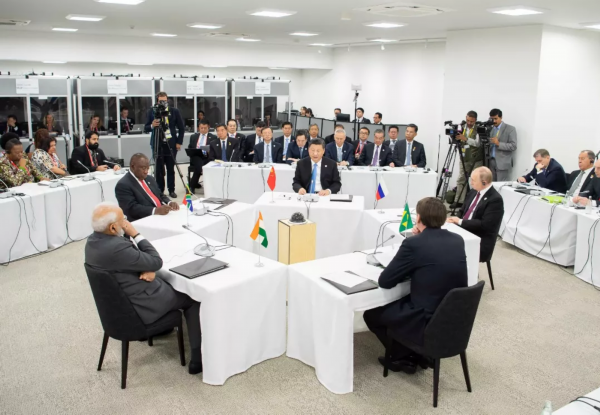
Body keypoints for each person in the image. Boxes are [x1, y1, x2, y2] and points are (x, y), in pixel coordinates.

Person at [85, 202, 202, 374]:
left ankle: (166, 328)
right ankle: (197, 359)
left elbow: (129, 261)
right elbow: (156, 261)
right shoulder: (117, 248)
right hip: (141, 306)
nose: (126, 222)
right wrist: (135, 233)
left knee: (163, 276)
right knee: (192, 296)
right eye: (123, 220)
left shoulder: (92, 242)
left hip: (117, 308)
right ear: (112, 228)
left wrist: (148, 268)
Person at [364, 197, 468, 374]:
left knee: (372, 315)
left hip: (425, 317)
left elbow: (386, 281)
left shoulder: (414, 243)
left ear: (418, 218)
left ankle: (403, 357)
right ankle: (418, 354)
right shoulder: (458, 240)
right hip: (453, 313)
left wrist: (416, 240)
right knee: (403, 301)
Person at [447, 167, 504, 263]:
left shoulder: (495, 200)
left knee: (447, 247)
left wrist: (460, 221)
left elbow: (484, 225)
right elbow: (462, 210)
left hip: (479, 238)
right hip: (463, 229)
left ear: (484, 182)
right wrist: (454, 220)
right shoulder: (473, 191)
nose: (471, 182)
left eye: (473, 180)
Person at [115, 153, 180, 221]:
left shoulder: (149, 178)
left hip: (160, 216)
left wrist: (169, 202)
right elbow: (131, 208)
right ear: (133, 166)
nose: (146, 171)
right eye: (143, 168)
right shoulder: (123, 185)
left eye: (147, 168)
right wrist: (155, 210)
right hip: (143, 220)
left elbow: (160, 195)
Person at [145, 92, 185, 198]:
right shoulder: (152, 111)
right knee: (158, 169)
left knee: (170, 168)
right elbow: (146, 128)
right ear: (157, 101)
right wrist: (152, 125)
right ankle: (160, 191)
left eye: (165, 101)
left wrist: (179, 142)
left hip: (171, 143)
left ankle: (171, 190)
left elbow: (181, 128)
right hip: (157, 143)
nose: (163, 103)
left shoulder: (174, 111)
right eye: (161, 101)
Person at [453, 111, 483, 208]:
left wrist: (465, 139)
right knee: (461, 179)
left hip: (476, 159)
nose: (469, 123)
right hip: (464, 157)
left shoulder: (478, 129)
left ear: (475, 120)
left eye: (472, 121)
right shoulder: (461, 127)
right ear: (466, 118)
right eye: (468, 120)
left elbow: (478, 143)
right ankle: (459, 201)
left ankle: (474, 202)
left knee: (476, 180)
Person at [488, 108, 517, 182]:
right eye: (492, 119)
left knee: (501, 185)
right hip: (491, 161)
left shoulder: (510, 129)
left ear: (501, 117)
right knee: (492, 184)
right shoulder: (490, 129)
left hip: (502, 162)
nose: (494, 121)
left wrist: (498, 143)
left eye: (496, 118)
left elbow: (513, 146)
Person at [188, 119, 217, 193]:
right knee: (199, 162)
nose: (203, 130)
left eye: (205, 128)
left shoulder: (213, 137)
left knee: (200, 165)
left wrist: (209, 151)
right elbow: (190, 147)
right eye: (201, 128)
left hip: (207, 156)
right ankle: (199, 185)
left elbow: (215, 149)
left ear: (208, 127)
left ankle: (192, 186)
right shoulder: (193, 137)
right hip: (196, 156)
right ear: (198, 128)